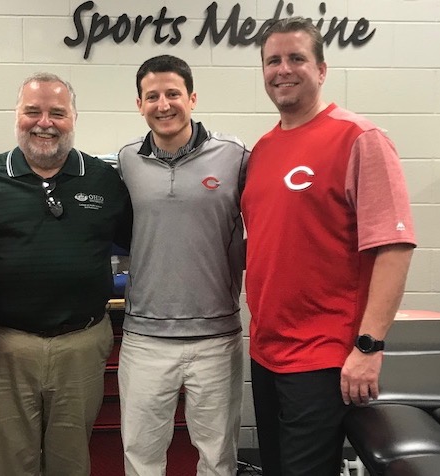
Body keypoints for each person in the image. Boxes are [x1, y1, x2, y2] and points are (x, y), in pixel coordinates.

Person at [242, 17, 417, 475]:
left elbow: (394, 248)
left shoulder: (359, 138)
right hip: (266, 352)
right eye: (273, 60)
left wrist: (368, 346)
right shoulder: (262, 149)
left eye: (296, 58)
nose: (283, 69)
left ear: (321, 69)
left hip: (323, 357)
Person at [0, 73, 132, 476]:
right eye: (33, 112)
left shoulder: (105, 180)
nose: (45, 122)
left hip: (81, 344)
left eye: (57, 113)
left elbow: (138, 244)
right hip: (6, 347)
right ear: (17, 116)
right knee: (6, 462)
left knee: (70, 460)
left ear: (73, 117)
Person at [116, 55, 249, 476]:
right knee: (141, 455)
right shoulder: (126, 162)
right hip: (144, 339)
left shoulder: (235, 157)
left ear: (191, 98)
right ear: (139, 104)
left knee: (217, 457)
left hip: (215, 339)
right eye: (152, 96)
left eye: (173, 93)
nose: (163, 104)